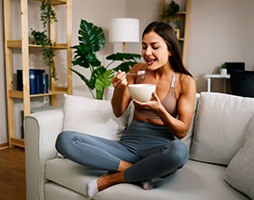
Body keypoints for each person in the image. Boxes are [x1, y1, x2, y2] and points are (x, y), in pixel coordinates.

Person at [55, 21, 196, 198]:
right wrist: (119, 90)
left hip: (159, 149)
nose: (147, 53)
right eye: (144, 47)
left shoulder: (185, 81)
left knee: (179, 152)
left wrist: (161, 110)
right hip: (127, 146)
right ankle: (139, 173)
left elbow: (182, 131)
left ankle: (113, 179)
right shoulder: (138, 71)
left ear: (170, 49)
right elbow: (118, 110)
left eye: (154, 47)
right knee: (65, 140)